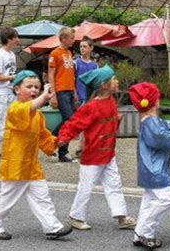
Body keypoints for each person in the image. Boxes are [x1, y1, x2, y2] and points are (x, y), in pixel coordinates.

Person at [0, 70, 72, 241]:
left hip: (31, 164)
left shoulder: (37, 114)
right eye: (29, 86)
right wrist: (44, 97)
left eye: (37, 87)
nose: (34, 90)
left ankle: (52, 226)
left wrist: (56, 142)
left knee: (42, 195)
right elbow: (29, 108)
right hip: (15, 164)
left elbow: (43, 137)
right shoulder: (15, 108)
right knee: (7, 198)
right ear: (17, 90)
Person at [58, 65, 136, 230]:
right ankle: (75, 217)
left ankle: (121, 216)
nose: (117, 81)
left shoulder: (111, 100)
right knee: (86, 186)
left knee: (115, 184)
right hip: (92, 155)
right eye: (114, 79)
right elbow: (74, 123)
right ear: (104, 85)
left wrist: (117, 119)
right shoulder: (91, 106)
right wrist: (63, 138)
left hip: (108, 153)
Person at [128, 82, 170, 249]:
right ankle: (146, 232)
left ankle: (139, 233)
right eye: (157, 98)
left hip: (150, 168)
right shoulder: (150, 122)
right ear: (153, 101)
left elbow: (167, 128)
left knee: (150, 200)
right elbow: (161, 139)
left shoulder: (150, 120)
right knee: (166, 198)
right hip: (154, 169)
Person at [48, 27, 76, 162]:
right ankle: (62, 151)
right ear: (64, 38)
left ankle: (51, 141)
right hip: (61, 91)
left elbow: (71, 75)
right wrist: (53, 94)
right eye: (71, 38)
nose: (73, 40)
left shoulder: (69, 53)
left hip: (70, 90)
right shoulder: (54, 53)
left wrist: (74, 91)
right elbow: (51, 74)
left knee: (69, 120)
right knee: (69, 120)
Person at [0, 27, 18, 161]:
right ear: (9, 39)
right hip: (0, 93)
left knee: (11, 121)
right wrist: (14, 78)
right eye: (15, 38)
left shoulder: (12, 55)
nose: (17, 40)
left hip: (11, 92)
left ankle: (8, 149)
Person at [74, 37, 98, 158]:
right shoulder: (76, 63)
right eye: (81, 46)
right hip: (80, 96)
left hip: (91, 97)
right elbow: (72, 79)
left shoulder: (95, 65)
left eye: (85, 46)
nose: (82, 49)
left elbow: (97, 82)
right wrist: (75, 94)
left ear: (91, 48)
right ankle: (80, 147)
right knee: (83, 122)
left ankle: (86, 146)